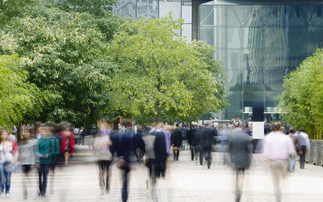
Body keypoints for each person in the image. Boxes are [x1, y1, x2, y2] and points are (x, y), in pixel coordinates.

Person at [111, 120, 144, 202]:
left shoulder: (116, 135)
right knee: (125, 178)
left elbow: (112, 148)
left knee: (123, 178)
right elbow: (133, 147)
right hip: (128, 159)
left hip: (120, 160)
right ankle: (125, 195)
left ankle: (124, 194)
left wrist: (118, 156)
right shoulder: (131, 135)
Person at [264, 123, 295, 202]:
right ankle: (284, 193)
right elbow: (291, 151)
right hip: (283, 161)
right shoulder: (286, 138)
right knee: (284, 179)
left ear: (272, 128)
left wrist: (264, 164)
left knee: (276, 180)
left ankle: (278, 195)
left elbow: (266, 153)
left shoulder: (269, 138)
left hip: (273, 162)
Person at [229, 122, 252, 202]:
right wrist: (249, 162)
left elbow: (229, 149)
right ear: (242, 126)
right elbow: (249, 150)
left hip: (235, 159)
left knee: (236, 176)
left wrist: (228, 160)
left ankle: (237, 191)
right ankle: (240, 189)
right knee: (242, 176)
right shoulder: (246, 136)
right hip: (244, 160)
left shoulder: (232, 136)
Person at [93, 118, 112, 195]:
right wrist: (96, 145)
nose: (104, 125)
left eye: (105, 123)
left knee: (108, 172)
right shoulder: (98, 132)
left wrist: (111, 143)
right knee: (101, 172)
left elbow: (114, 143)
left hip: (107, 154)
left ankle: (107, 187)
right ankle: (102, 186)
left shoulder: (110, 133)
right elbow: (94, 144)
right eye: (102, 123)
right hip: (100, 154)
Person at [36, 126, 55, 197]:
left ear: (47, 132)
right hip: (40, 161)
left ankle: (44, 191)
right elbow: (35, 151)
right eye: (42, 131)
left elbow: (53, 151)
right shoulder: (38, 141)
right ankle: (40, 189)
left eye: (45, 131)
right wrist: (37, 154)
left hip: (47, 161)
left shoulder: (50, 141)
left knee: (45, 176)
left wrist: (48, 154)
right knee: (39, 176)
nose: (43, 133)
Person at [19, 127, 37, 199]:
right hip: (24, 162)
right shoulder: (22, 142)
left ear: (30, 133)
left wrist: (34, 163)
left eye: (27, 132)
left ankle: (35, 192)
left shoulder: (33, 142)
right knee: (24, 179)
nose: (26, 133)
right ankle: (25, 193)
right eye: (25, 132)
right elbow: (20, 152)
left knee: (31, 179)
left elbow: (34, 153)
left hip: (30, 162)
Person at [0, 129, 19, 198]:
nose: (4, 135)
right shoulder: (0, 143)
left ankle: (7, 191)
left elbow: (16, 151)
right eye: (2, 134)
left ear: (8, 135)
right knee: (2, 177)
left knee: (8, 177)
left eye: (5, 134)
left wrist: (15, 160)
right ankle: (1, 191)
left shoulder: (12, 143)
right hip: (1, 162)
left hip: (9, 161)